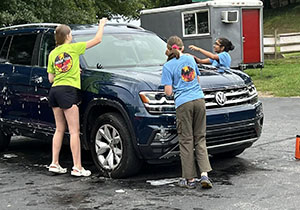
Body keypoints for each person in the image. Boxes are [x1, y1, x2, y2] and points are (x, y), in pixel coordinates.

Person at [47, 18, 108, 177]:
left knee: (59, 129)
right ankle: (77, 167)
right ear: (68, 36)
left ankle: (54, 163)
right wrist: (101, 25)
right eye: (71, 34)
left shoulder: (53, 53)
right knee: (74, 131)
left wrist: (72, 71)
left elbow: (51, 79)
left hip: (54, 91)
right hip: (68, 91)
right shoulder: (74, 48)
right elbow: (98, 40)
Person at [161, 36, 212, 189]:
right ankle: (204, 174)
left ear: (169, 49)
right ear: (182, 48)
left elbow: (169, 92)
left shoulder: (168, 66)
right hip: (199, 101)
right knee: (200, 138)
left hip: (183, 104)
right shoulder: (190, 59)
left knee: (186, 140)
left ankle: (189, 178)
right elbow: (197, 80)